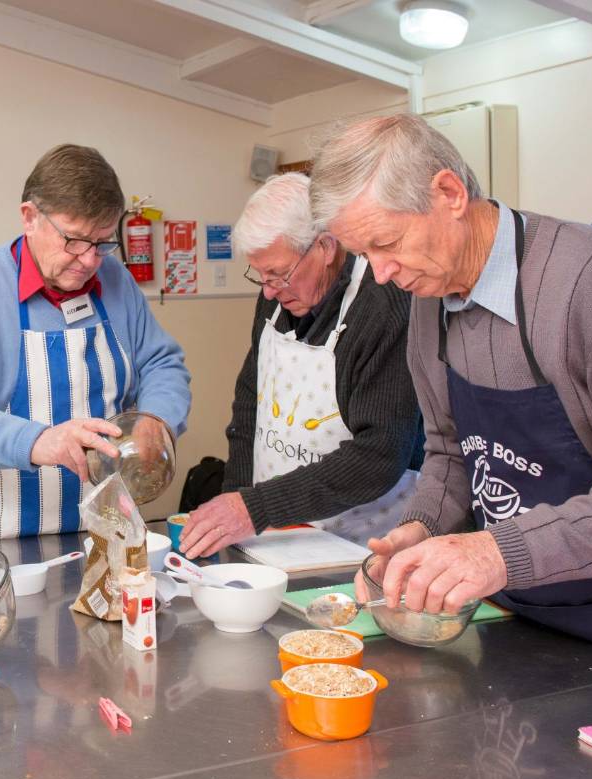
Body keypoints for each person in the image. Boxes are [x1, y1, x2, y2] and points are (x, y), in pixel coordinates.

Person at [314, 114, 592, 679]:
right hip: (520, 618)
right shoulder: (429, 297)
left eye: (386, 244)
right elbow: (450, 452)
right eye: (366, 255)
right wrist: (423, 527)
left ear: (449, 193)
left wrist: (495, 551)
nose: (382, 274)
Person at [0, 144, 191, 540]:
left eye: (102, 243)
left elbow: (162, 363)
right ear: (30, 217)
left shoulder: (116, 282)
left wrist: (158, 418)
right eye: (74, 241)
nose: (90, 260)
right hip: (2, 540)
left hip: (109, 535)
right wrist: (38, 441)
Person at [179, 173, 422, 557]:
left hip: (365, 544)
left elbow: (380, 453)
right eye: (261, 276)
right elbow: (249, 402)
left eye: (279, 274)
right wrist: (235, 507)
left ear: (325, 247)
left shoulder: (383, 306)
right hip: (276, 534)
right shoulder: (278, 297)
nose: (269, 290)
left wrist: (253, 508)